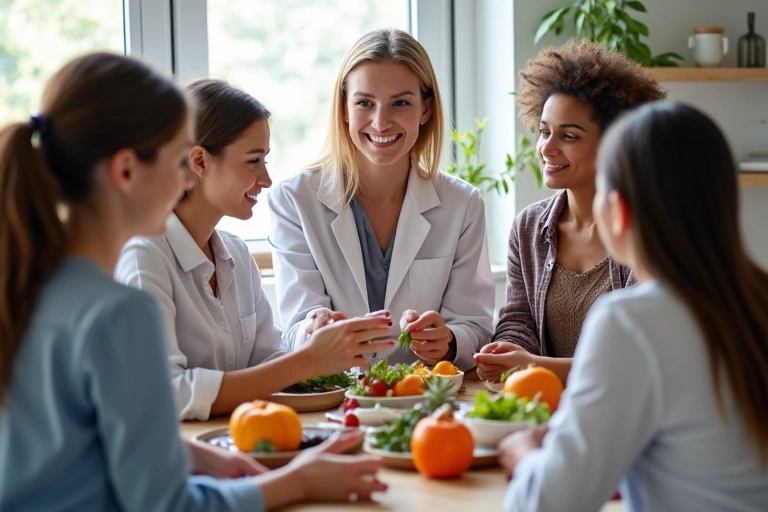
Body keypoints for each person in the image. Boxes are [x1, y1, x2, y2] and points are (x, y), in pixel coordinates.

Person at [0, 52, 386, 510]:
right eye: (177, 161)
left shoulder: (28, 284)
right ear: (126, 171)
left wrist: (198, 457)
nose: (187, 175)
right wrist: (298, 482)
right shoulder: (120, 311)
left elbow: (81, 438)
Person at [500, 102, 768, 511]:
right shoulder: (756, 297)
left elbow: (547, 503)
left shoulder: (630, 322)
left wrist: (522, 454)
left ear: (618, 211)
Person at [116, 78, 393, 421]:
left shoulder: (235, 254)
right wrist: (308, 360)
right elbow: (167, 394)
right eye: (253, 161)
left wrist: (316, 341)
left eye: (265, 159)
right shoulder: (144, 257)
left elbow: (266, 362)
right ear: (199, 162)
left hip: (239, 440)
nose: (266, 178)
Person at [268, 28, 494, 369]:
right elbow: (296, 328)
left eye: (400, 103)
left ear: (426, 110)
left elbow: (474, 325)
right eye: (364, 103)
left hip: (423, 400)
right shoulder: (293, 201)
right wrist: (314, 329)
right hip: (333, 399)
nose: (380, 122)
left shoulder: (462, 205)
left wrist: (447, 342)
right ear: (344, 109)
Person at [475, 40, 665, 384]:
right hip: (540, 407)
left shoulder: (646, 229)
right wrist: (505, 350)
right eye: (544, 131)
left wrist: (533, 365)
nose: (547, 147)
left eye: (569, 136)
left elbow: (639, 356)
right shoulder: (528, 227)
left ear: (613, 142)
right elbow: (519, 320)